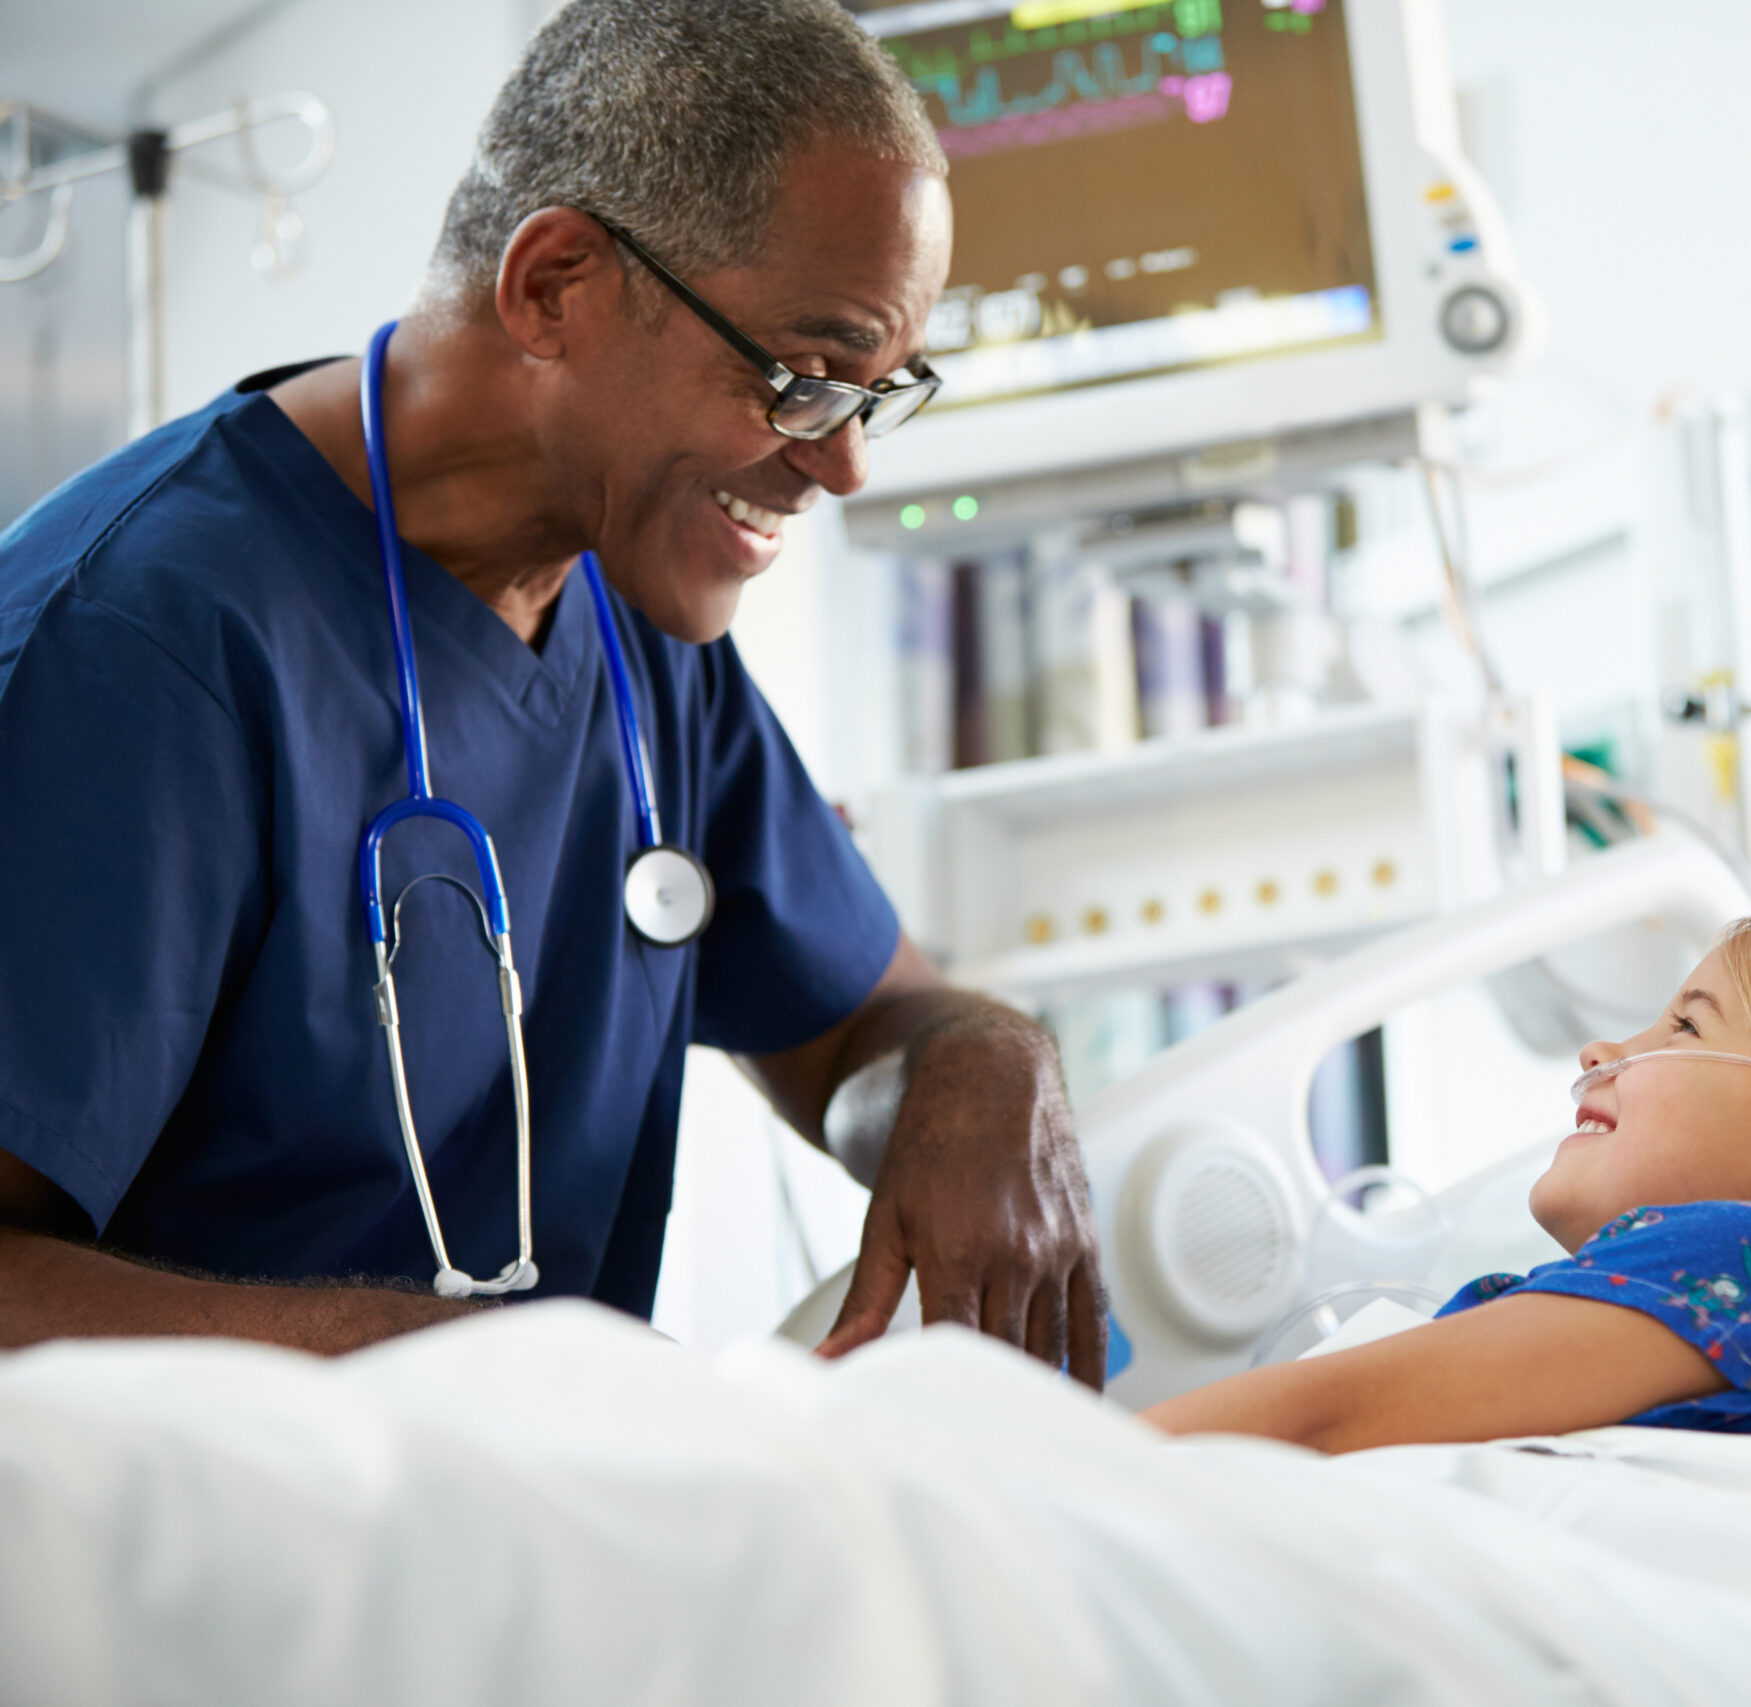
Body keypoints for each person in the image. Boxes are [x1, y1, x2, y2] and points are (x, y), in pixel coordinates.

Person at [0, 0, 1108, 1381]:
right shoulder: (143, 647)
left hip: (527, 1532)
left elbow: (871, 1025)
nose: (842, 470)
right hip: (195, 1569)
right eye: (805, 380)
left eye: (878, 396)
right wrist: (434, 1367)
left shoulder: (641, 628)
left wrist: (981, 1063)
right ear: (555, 288)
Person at [1144, 910, 1751, 1449]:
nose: (1603, 1047)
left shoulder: (1749, 1264)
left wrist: (1057, 1468)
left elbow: (1325, 1415)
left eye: (1685, 1027)